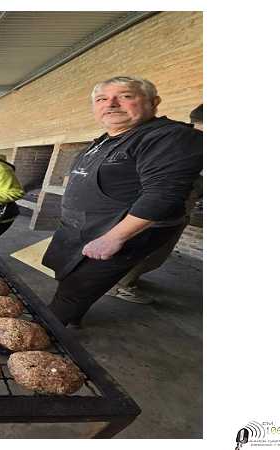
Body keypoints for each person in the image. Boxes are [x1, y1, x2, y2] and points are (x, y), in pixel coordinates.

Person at [41, 76, 203, 327]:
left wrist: (113, 238)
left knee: (77, 289)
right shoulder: (107, 139)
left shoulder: (169, 137)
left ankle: (49, 328)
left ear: (154, 102)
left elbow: (163, 195)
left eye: (126, 96)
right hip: (82, 227)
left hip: (118, 231)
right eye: (102, 99)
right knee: (68, 276)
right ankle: (70, 316)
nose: (111, 104)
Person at [107, 103, 204, 304]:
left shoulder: (175, 136)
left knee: (143, 251)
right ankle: (119, 286)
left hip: (156, 210)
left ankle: (121, 281)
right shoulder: (189, 143)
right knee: (149, 253)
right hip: (160, 214)